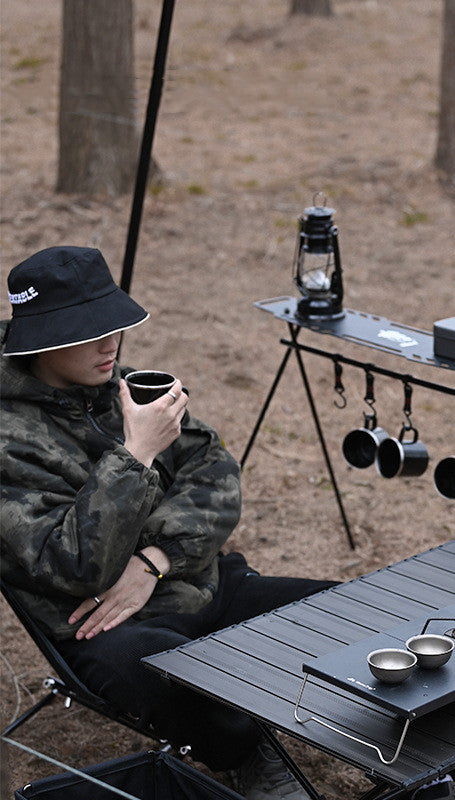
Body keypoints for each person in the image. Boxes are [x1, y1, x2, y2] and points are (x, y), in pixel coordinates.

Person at [0, 246, 337, 800]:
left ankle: (396, 751)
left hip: (197, 580)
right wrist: (137, 455)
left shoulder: (129, 387)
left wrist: (153, 560)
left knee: (344, 613)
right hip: (102, 624)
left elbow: (215, 472)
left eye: (114, 325)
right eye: (89, 331)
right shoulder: (10, 438)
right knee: (175, 677)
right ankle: (248, 753)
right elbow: (73, 564)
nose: (111, 344)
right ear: (41, 339)